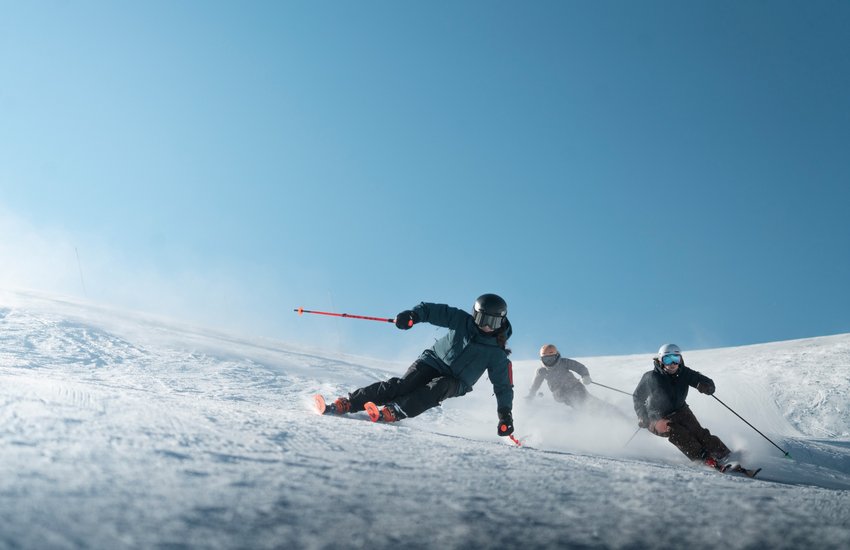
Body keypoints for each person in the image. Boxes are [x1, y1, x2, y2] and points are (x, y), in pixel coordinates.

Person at [319, 294, 516, 438]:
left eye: (493, 321)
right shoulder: (461, 320)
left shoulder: (497, 353)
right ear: (475, 315)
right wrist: (413, 315)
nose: (487, 326)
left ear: (501, 321)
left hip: (457, 381)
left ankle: (396, 410)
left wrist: (505, 414)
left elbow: (503, 386)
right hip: (433, 360)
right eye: (483, 319)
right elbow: (432, 311)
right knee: (401, 386)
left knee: (438, 388)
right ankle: (349, 402)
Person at [633, 344, 731, 469]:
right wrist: (642, 416)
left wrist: (706, 387)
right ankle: (704, 458)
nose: (672, 363)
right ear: (660, 360)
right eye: (667, 359)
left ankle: (724, 455)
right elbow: (638, 397)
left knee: (699, 433)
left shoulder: (684, 373)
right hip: (657, 417)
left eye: (676, 359)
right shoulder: (651, 377)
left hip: (681, 412)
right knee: (676, 431)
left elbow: (708, 383)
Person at [526, 344, 593, 407]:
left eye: (551, 358)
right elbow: (535, 384)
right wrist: (531, 395)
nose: (549, 362)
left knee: (585, 397)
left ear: (556, 356)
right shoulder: (542, 371)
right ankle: (581, 409)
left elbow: (579, 367)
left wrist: (585, 375)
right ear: (542, 359)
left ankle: (599, 406)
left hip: (574, 385)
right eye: (546, 359)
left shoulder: (564, 362)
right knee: (569, 398)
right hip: (559, 392)